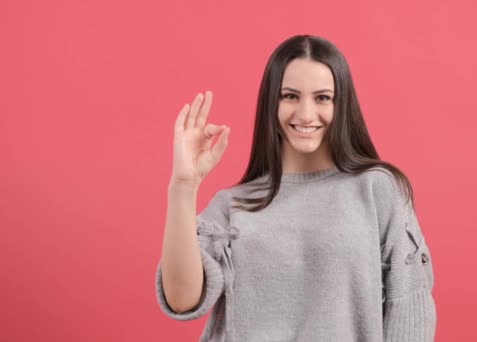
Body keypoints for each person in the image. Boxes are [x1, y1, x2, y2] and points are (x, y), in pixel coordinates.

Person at [155, 34, 436, 342]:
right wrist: (182, 187)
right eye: (290, 96)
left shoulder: (378, 190)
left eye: (322, 98)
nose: (305, 114)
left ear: (341, 104)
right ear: (271, 102)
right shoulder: (233, 206)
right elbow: (182, 301)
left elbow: (410, 314)